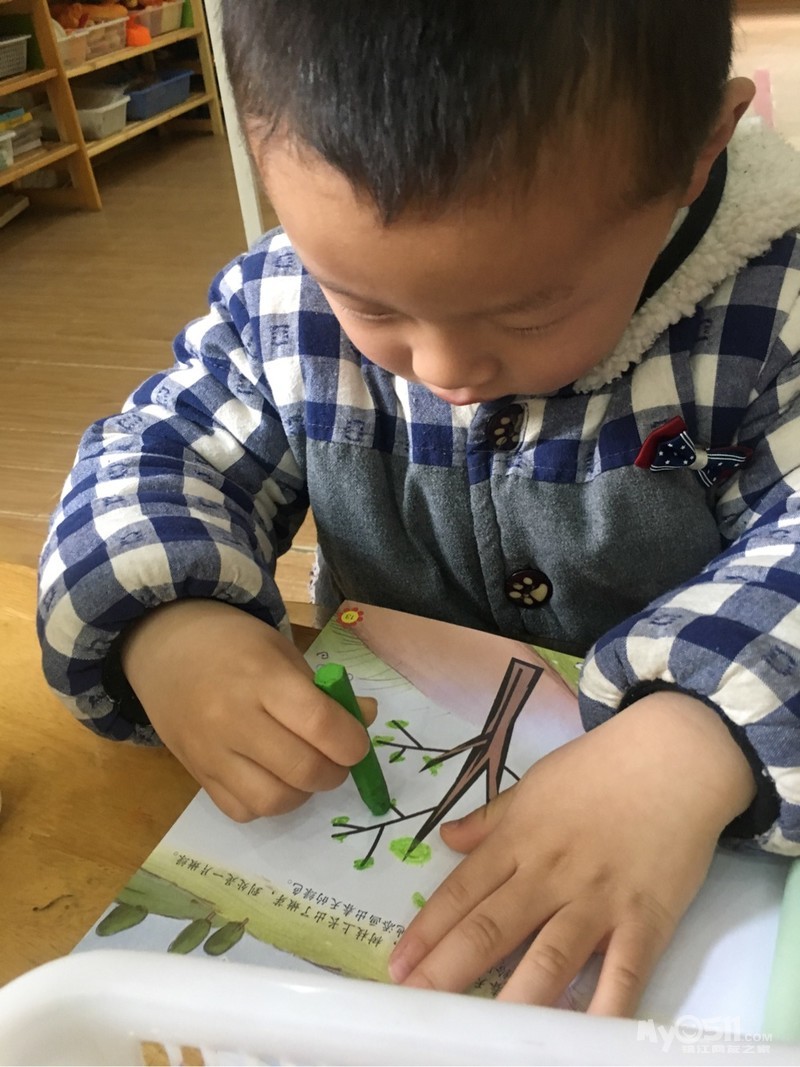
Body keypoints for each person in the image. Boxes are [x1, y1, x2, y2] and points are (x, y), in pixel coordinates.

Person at [38, 0, 800, 1016]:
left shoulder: (773, 309)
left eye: (529, 307)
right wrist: (168, 626)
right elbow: (158, 453)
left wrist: (694, 739)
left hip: (696, 873)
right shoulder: (285, 298)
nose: (442, 368)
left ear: (698, 150)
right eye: (371, 304)